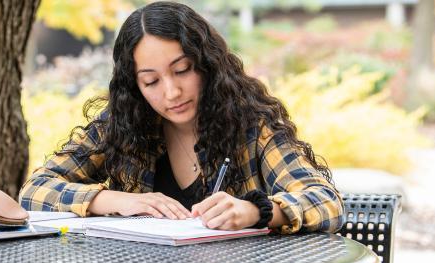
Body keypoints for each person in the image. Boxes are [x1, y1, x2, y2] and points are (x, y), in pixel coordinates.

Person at [19, 1, 344, 234]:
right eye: (151, 81)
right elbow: (35, 191)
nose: (171, 92)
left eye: (182, 70)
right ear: (135, 86)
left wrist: (255, 211)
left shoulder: (251, 124)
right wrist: (115, 200)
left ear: (206, 64)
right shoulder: (120, 124)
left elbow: (325, 202)